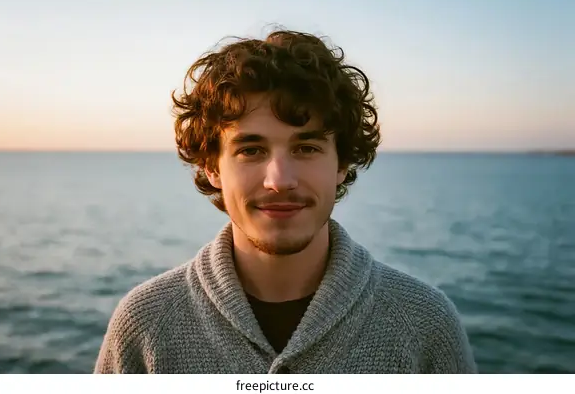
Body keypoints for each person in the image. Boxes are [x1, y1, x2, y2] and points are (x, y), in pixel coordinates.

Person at [94, 29, 477, 374]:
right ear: (212, 167)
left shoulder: (424, 324)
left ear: (341, 163)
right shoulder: (146, 323)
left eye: (306, 147)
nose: (279, 180)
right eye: (251, 150)